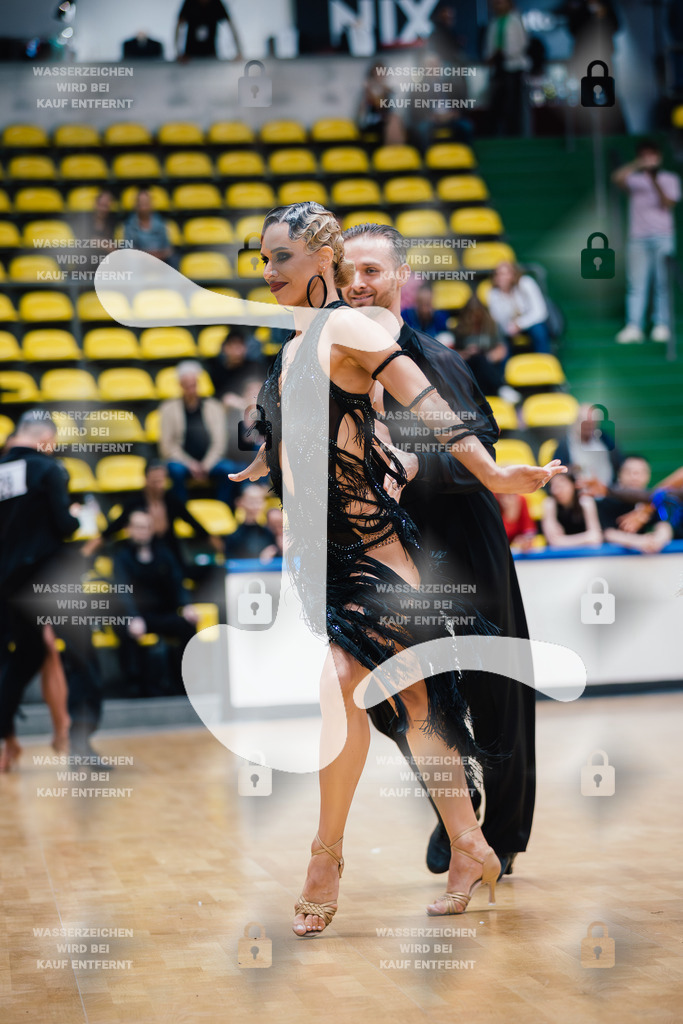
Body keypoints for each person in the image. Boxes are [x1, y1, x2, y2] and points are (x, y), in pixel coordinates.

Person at [229, 202, 565, 937]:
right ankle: (471, 843)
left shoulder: (351, 329)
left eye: (278, 257)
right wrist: (264, 459)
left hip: (381, 559)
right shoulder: (296, 345)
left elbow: (430, 402)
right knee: (417, 714)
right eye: (261, 258)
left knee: (342, 691)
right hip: (330, 563)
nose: (265, 271)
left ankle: (326, 859)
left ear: (325, 258)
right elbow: (304, 426)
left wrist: (491, 473)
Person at [342, 221, 539, 881]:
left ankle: (500, 836)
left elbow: (472, 452)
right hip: (391, 546)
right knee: (385, 688)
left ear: (400, 278)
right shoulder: (337, 356)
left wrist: (410, 463)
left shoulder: (438, 361)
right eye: (347, 272)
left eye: (371, 270)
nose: (356, 283)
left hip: (463, 536)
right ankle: (455, 802)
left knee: (496, 687)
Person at [0, 412, 103, 769]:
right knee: (82, 657)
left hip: (9, 583)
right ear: (45, 436)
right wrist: (78, 516)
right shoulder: (49, 469)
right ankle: (80, 748)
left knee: (24, 659)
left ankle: (5, 736)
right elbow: (63, 526)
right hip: (50, 578)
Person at [113, 510, 199, 695]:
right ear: (129, 530)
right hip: (136, 615)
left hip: (162, 613)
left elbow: (177, 581)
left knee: (187, 625)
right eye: (138, 527)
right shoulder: (121, 558)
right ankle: (135, 687)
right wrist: (133, 617)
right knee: (124, 629)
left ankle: (184, 681)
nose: (142, 531)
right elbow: (122, 590)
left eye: (145, 527)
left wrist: (186, 606)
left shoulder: (163, 554)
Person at [82, 459, 225, 570]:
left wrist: (220, 547)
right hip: (144, 557)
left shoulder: (172, 500)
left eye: (162, 480)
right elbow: (113, 528)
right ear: (146, 479)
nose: (159, 485)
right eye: (155, 481)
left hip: (171, 556)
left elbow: (195, 524)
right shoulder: (134, 503)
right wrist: (88, 549)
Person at [612, 139, 681, 345]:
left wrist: (654, 180)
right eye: (645, 155)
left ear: (659, 157)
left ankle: (661, 325)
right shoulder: (635, 179)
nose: (649, 159)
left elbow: (668, 202)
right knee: (636, 284)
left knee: (663, 283)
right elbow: (616, 178)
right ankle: (634, 326)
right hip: (638, 238)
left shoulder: (670, 178)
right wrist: (638, 165)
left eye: (652, 155)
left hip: (663, 237)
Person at [159, 361, 242, 507]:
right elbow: (167, 445)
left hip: (209, 462)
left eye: (194, 384)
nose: (191, 389)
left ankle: (223, 508)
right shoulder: (168, 409)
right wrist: (190, 464)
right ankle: (181, 509)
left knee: (230, 470)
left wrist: (206, 465)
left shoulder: (214, 407)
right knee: (175, 470)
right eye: (187, 385)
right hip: (182, 462)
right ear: (180, 385)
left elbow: (219, 441)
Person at [483, 0, 529, 136]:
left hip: (514, 67)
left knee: (514, 104)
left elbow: (522, 43)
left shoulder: (516, 20)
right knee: (497, 103)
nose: (498, 4)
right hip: (498, 67)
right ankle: (496, 134)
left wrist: (505, 52)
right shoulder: (494, 22)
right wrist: (492, 56)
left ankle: (515, 134)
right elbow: (489, 44)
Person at [487, 261, 552, 355]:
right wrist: (504, 295)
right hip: (508, 328)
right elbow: (498, 318)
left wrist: (520, 324)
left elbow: (540, 312)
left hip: (531, 323)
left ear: (513, 274)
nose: (501, 277)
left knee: (539, 331)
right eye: (498, 274)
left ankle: (544, 361)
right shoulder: (493, 293)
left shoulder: (526, 283)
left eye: (504, 274)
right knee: (501, 342)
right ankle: (505, 368)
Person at [453, 296, 511, 399]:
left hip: (488, 365)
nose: (474, 319)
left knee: (481, 359)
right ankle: (500, 387)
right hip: (469, 366)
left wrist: (485, 357)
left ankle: (497, 388)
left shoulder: (492, 326)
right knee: (477, 359)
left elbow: (501, 350)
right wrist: (467, 353)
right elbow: (454, 354)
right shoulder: (460, 329)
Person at [554, 403, 623, 486]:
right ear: (577, 422)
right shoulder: (565, 445)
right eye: (585, 424)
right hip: (579, 492)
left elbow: (620, 464)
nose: (588, 428)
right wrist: (572, 469)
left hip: (607, 490)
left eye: (592, 424)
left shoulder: (605, 440)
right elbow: (557, 473)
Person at [207, 329, 266, 409]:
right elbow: (218, 397)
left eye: (240, 345)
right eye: (233, 345)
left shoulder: (254, 367)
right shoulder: (217, 371)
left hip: (253, 407)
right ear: (225, 348)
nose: (237, 349)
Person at [541, 472, 602, 548]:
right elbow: (553, 541)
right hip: (559, 556)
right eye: (553, 486)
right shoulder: (550, 504)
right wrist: (587, 538)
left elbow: (596, 537)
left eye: (561, 486)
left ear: (573, 485)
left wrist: (563, 540)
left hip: (585, 553)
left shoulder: (586, 502)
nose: (556, 491)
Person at [357, 62, 406, 145]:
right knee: (392, 123)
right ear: (373, 75)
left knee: (395, 120)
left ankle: (396, 150)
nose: (381, 77)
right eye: (378, 74)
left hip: (386, 121)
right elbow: (363, 117)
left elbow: (391, 110)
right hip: (371, 123)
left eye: (383, 74)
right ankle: (392, 150)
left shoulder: (389, 91)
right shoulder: (367, 91)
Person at [124, 188, 175, 266]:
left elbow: (168, 249)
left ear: (151, 204)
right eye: (141, 203)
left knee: (174, 259)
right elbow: (129, 250)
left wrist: (159, 256)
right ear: (136, 205)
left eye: (146, 203)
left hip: (160, 259)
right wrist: (147, 256)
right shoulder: (130, 225)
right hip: (139, 261)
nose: (144, 206)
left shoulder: (160, 223)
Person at [175, 0, 241, 60]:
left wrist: (239, 52)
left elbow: (231, 27)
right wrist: (178, 53)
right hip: (190, 57)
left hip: (210, 56)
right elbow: (178, 27)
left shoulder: (216, 3)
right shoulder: (189, 3)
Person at [223, 485, 275, 560]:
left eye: (259, 500)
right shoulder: (234, 536)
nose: (255, 505)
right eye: (251, 500)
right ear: (239, 502)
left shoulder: (269, 533)